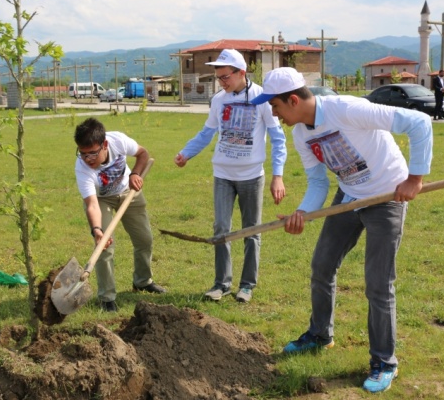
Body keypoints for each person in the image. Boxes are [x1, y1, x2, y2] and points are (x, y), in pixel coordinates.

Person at [250, 67, 433, 393]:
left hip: (387, 196)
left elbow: (419, 123)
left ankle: (384, 361)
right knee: (322, 265)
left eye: (275, 107)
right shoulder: (301, 133)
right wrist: (303, 213)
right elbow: (318, 181)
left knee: (378, 284)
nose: (274, 114)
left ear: (293, 100)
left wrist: (414, 178)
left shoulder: (347, 109)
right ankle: (321, 334)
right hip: (348, 197)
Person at [173, 49, 287, 304]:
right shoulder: (218, 100)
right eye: (219, 78)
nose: (222, 82)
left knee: (251, 231)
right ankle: (221, 284)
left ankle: (246, 285)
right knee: (221, 228)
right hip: (222, 174)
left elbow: (279, 139)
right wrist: (186, 153)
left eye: (225, 77)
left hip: (251, 175)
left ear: (241, 73)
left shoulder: (262, 98)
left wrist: (277, 176)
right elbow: (207, 133)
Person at [74, 117, 166, 312]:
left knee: (144, 240)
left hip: (128, 192)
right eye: (83, 154)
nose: (88, 159)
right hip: (102, 199)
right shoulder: (82, 168)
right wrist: (97, 230)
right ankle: (106, 297)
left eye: (92, 153)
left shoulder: (118, 141)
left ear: (105, 144)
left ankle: (142, 281)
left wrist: (135, 174)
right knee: (104, 247)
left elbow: (142, 154)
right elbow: (91, 204)